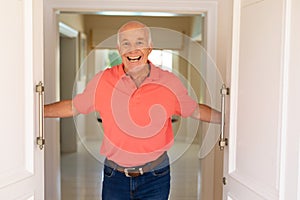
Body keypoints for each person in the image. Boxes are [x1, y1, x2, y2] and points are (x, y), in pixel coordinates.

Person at [45, 21, 221, 200]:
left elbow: (195, 110)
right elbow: (73, 107)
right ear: (119, 48)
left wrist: (228, 119)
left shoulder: (169, 82)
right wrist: (36, 111)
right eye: (126, 43)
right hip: (114, 177)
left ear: (150, 47)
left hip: (156, 176)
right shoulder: (103, 81)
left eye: (139, 42)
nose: (132, 49)